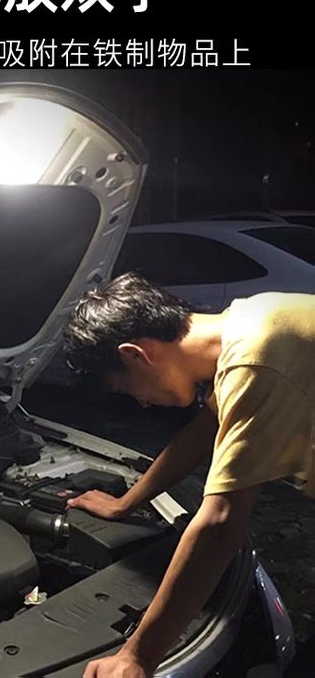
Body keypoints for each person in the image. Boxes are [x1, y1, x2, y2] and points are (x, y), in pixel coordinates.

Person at [60, 271, 315, 678]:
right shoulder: (253, 321)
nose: (142, 403)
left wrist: (136, 656)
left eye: (127, 389)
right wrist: (126, 503)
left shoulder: (256, 358)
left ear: (135, 355)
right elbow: (205, 430)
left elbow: (220, 524)